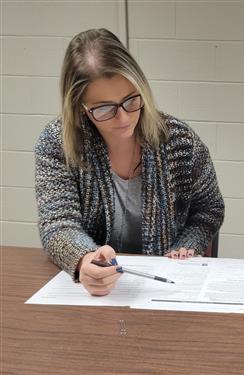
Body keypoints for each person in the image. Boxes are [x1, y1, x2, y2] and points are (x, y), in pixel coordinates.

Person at [34, 28, 224, 296]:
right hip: (96, 294)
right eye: (104, 109)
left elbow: (209, 209)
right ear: (79, 108)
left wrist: (186, 246)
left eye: (130, 100)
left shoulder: (179, 141)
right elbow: (57, 224)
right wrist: (85, 259)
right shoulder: (58, 145)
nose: (123, 118)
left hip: (165, 286)